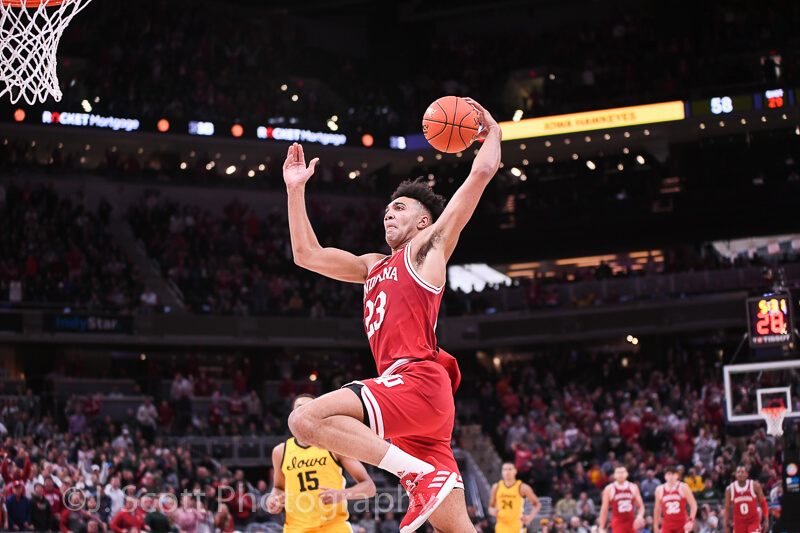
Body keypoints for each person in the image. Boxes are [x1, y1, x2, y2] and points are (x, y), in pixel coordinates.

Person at [284, 97, 501, 533]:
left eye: (401, 208)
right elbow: (307, 255)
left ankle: (415, 473)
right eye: (388, 208)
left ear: (424, 223)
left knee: (305, 419)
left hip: (415, 380)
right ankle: (420, 472)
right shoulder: (371, 265)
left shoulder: (428, 249)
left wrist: (492, 134)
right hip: (415, 404)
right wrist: (295, 190)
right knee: (457, 529)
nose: (389, 212)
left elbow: (480, 174)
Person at [267, 394, 377, 533]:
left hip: (332, 527)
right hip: (295, 529)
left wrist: (342, 494)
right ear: (292, 416)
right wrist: (272, 499)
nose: (305, 412)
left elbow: (369, 487)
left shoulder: (334, 446)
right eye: (300, 408)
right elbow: (278, 487)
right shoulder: (280, 451)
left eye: (310, 408)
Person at [488, 462, 541, 533]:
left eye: (510, 469)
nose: (507, 472)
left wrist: (530, 517)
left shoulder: (522, 487)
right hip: (501, 526)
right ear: (502, 472)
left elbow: (537, 504)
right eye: (505, 469)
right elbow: (490, 507)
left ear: (515, 471)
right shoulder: (496, 487)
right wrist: (493, 511)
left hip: (516, 526)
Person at [598, 466, 645, 533]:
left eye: (622, 472)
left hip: (631, 523)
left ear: (627, 474)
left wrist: (639, 517)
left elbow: (641, 506)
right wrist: (601, 527)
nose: (620, 475)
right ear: (614, 475)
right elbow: (604, 510)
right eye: (618, 473)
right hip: (617, 524)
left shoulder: (633, 487)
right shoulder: (609, 489)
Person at [724, 466, 769, 533]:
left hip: (753, 521)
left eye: (742, 472)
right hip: (739, 523)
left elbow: (763, 503)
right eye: (738, 472)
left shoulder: (755, 486)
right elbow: (727, 509)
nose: (740, 474)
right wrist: (725, 525)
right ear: (735, 475)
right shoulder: (729, 489)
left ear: (747, 475)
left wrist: (766, 520)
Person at [654, 465, 697, 533]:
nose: (671, 477)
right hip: (667, 524)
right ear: (665, 476)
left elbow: (693, 505)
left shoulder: (683, 487)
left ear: (677, 476)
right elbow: (657, 509)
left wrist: (691, 521)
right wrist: (655, 526)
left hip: (682, 524)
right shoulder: (659, 489)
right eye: (669, 474)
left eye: (673, 474)